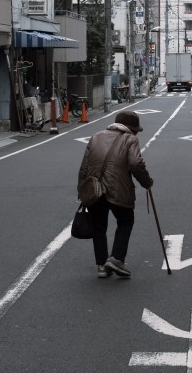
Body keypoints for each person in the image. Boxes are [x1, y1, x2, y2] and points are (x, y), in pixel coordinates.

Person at [77, 110, 153, 278]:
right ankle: (117, 258)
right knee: (126, 221)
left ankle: (102, 266)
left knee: (99, 226)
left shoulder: (96, 136)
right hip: (118, 189)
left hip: (95, 190)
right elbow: (135, 163)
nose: (135, 132)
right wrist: (147, 182)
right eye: (135, 129)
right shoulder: (130, 139)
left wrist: (82, 190)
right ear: (130, 128)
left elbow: (84, 166)